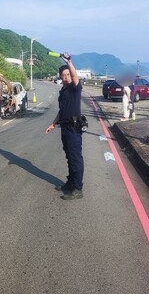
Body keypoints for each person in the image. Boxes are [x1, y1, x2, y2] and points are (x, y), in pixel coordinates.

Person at [45, 53, 85, 200]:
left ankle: (78, 189)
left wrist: (69, 62)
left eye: (68, 74)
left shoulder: (75, 89)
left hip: (74, 129)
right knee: (69, 157)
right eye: (64, 75)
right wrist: (53, 124)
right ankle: (70, 183)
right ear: (60, 77)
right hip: (65, 128)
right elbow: (61, 111)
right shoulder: (63, 91)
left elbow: (76, 78)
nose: (67, 76)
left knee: (75, 158)